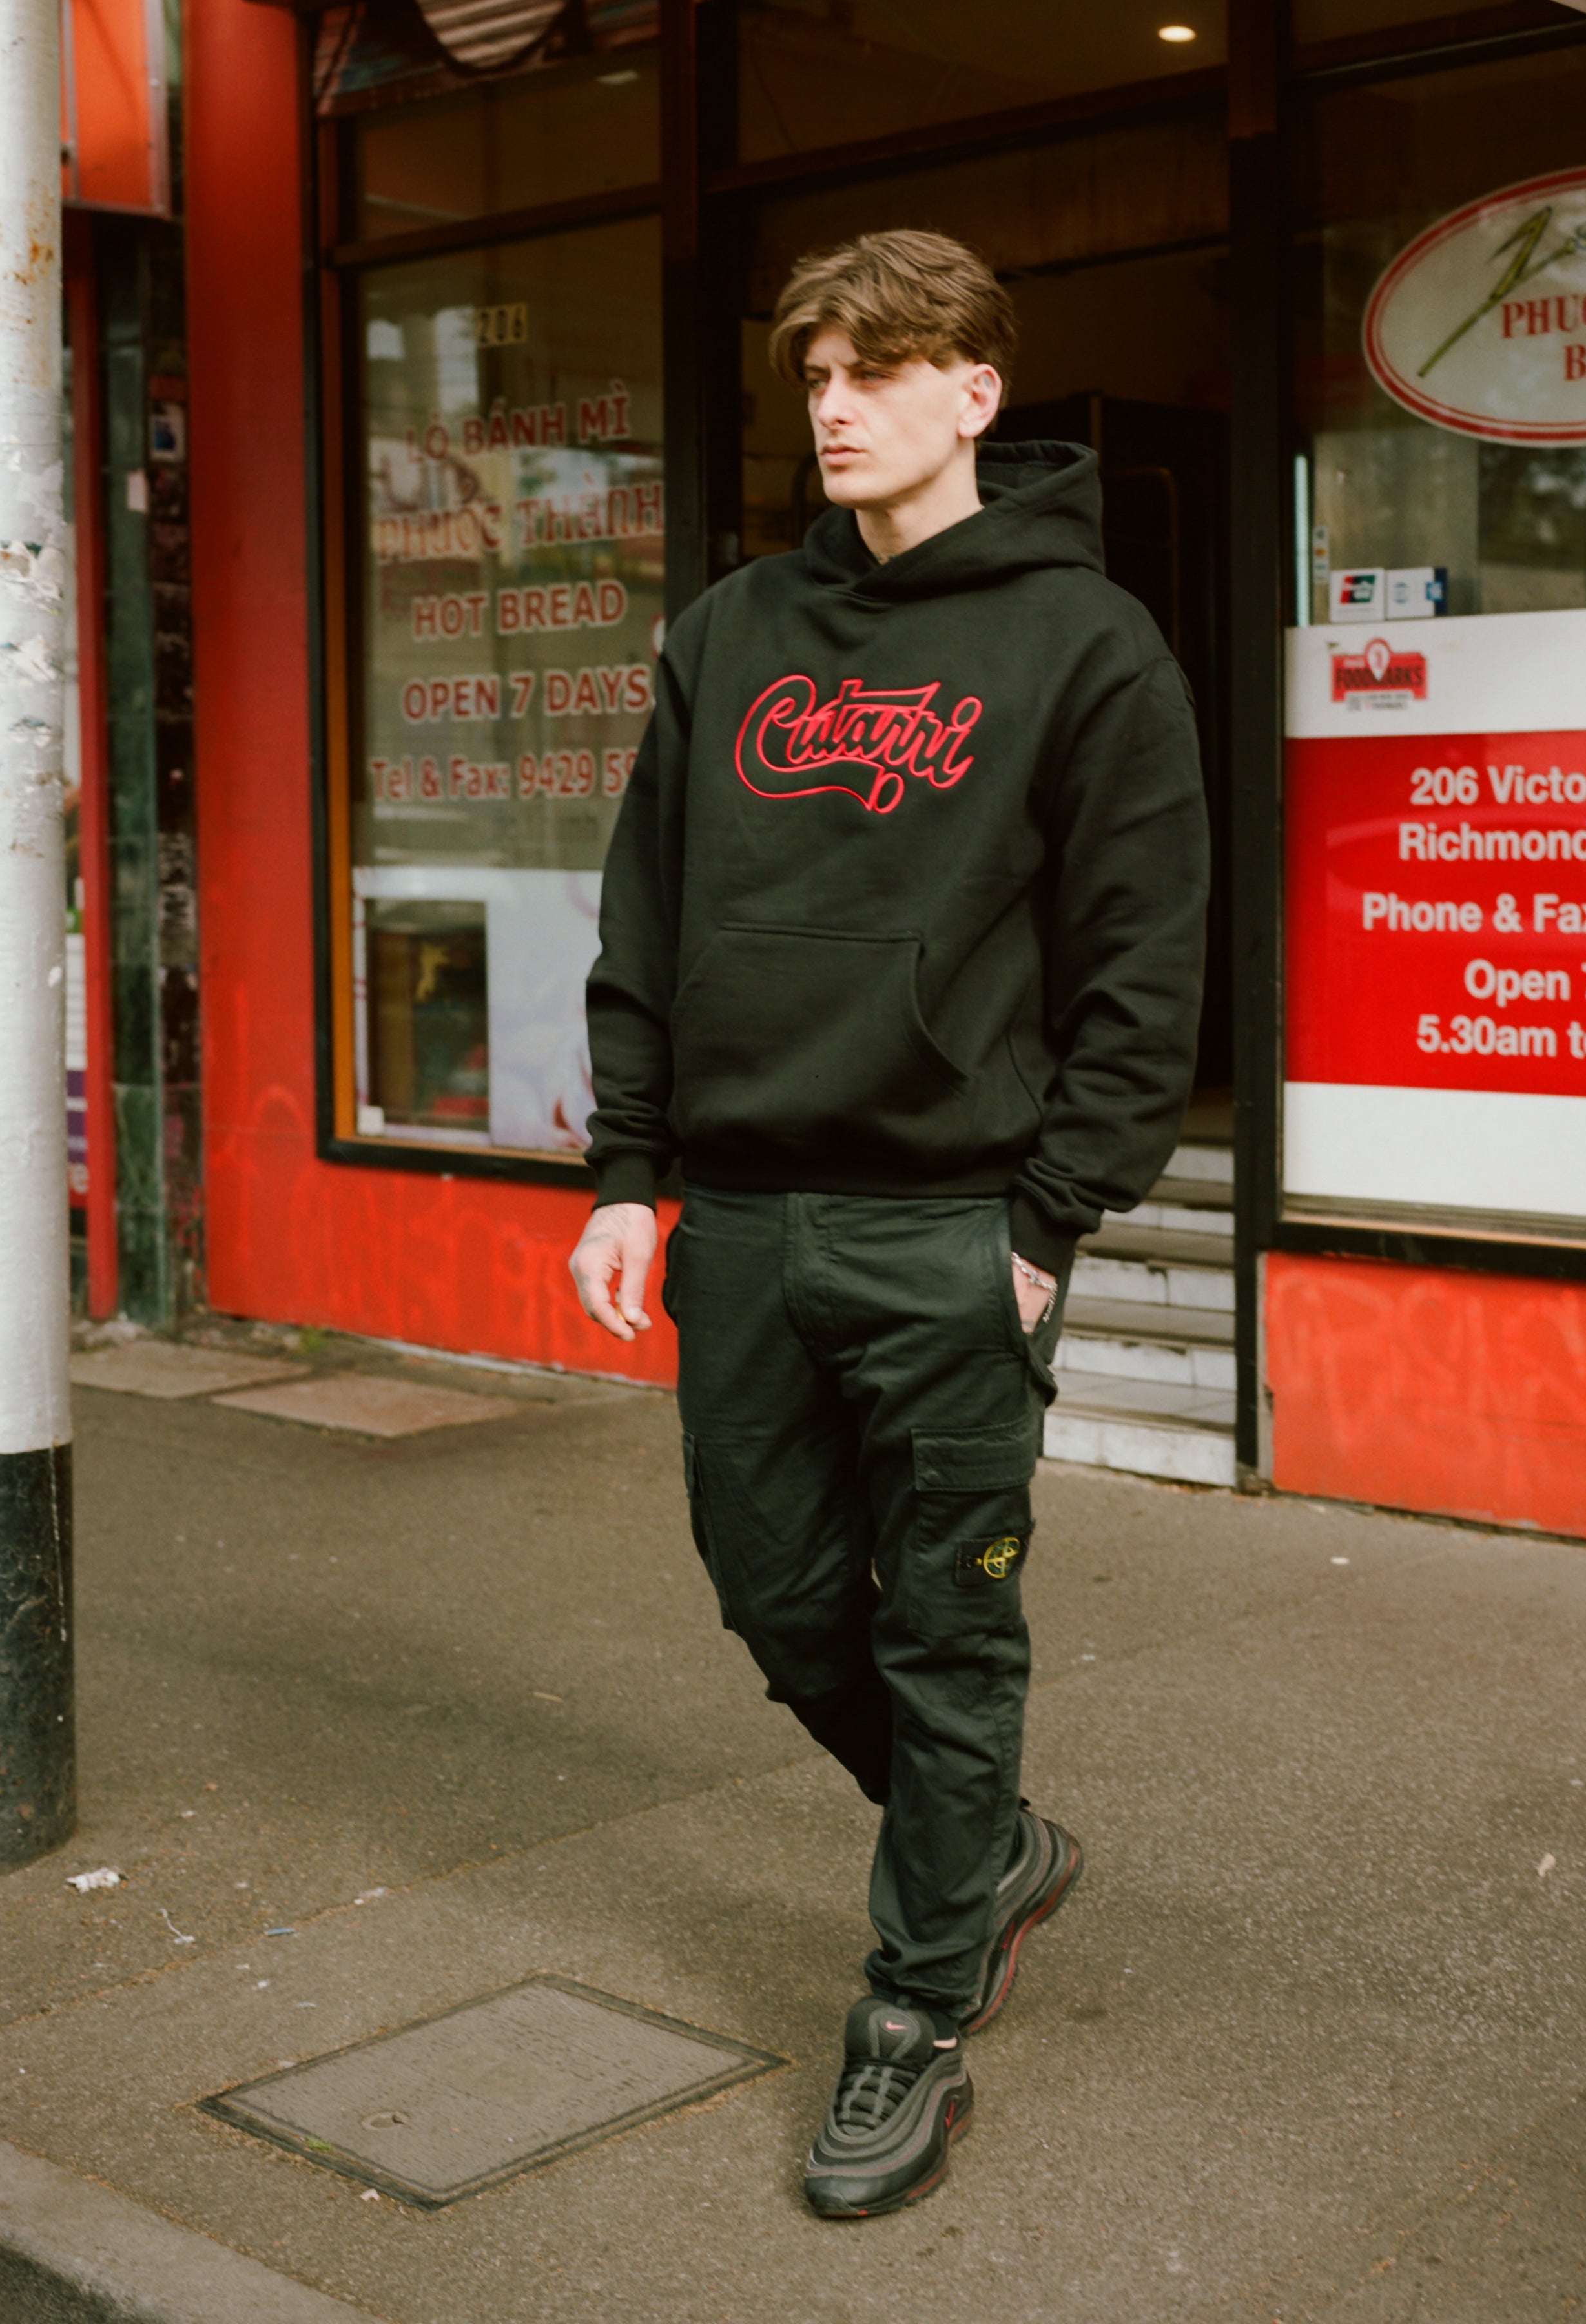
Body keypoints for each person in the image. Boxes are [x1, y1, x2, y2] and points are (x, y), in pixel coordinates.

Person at [568, 227, 1208, 2217]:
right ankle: (986, 1847)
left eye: (876, 369)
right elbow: (649, 923)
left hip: (952, 1227)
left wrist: (1045, 1218)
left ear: (973, 393)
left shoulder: (1086, 646)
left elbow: (1144, 969)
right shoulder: (729, 632)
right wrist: (626, 1176)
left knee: (947, 1626)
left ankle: (917, 2008)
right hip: (748, 1218)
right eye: (816, 373)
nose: (835, 406)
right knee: (777, 1600)